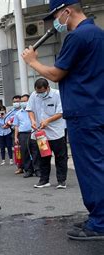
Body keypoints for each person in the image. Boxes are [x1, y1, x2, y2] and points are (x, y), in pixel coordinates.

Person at [22, 0, 103, 240]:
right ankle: (97, 216)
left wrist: (32, 61)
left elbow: (56, 74)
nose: (55, 21)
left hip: (83, 113)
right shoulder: (98, 34)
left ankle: (99, 222)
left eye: (56, 15)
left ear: (67, 11)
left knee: (90, 169)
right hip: (96, 108)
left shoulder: (77, 37)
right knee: (98, 165)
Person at [26, 78, 68, 189]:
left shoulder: (57, 94)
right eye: (38, 92)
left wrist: (48, 121)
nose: (40, 94)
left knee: (60, 157)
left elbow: (60, 112)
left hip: (56, 133)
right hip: (41, 134)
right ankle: (44, 180)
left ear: (48, 88)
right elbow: (30, 110)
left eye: (42, 92)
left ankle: (61, 181)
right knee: (43, 157)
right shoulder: (34, 95)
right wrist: (33, 121)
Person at [13, 94, 37, 178]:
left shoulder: (34, 111)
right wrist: (16, 137)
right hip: (23, 134)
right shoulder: (18, 113)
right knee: (25, 153)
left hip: (33, 132)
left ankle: (37, 170)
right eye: (22, 101)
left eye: (25, 101)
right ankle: (28, 170)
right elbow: (16, 126)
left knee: (35, 152)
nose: (23, 103)